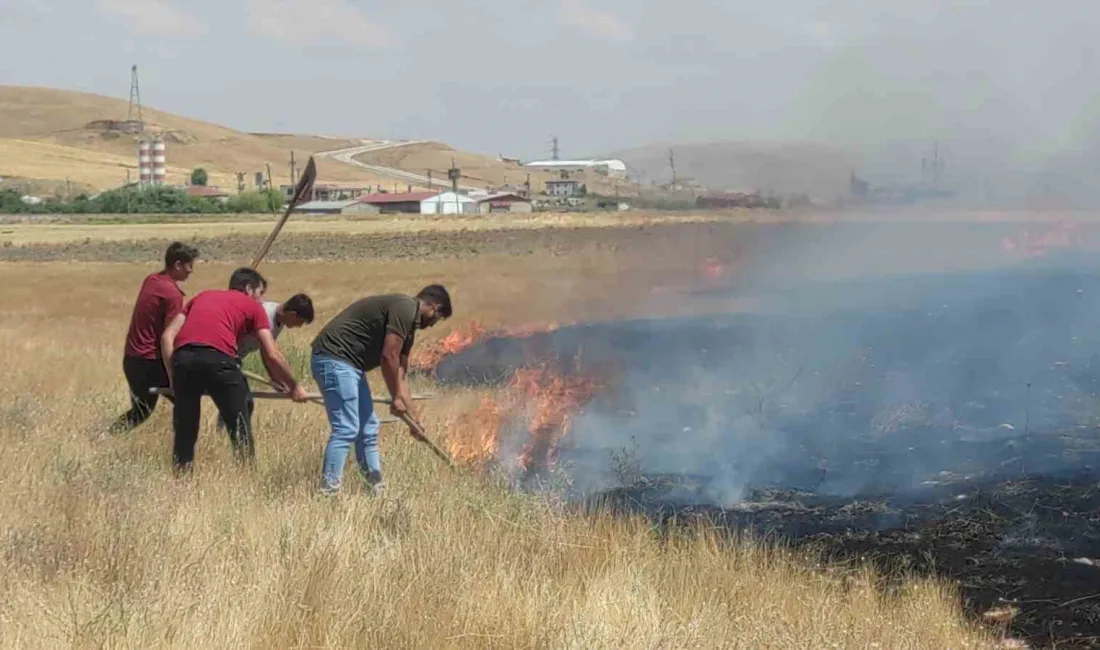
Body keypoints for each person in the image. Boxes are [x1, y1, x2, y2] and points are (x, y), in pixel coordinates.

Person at [160, 267, 310, 473]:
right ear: (249, 289)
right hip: (220, 361)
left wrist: (173, 379)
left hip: (183, 360)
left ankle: (181, 476)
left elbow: (167, 337)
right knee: (240, 425)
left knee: (185, 428)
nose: (261, 299)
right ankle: (246, 474)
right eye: (260, 293)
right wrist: (295, 386)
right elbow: (272, 354)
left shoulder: (202, 296)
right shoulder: (254, 307)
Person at [309, 284, 453, 495]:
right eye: (437, 318)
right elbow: (389, 357)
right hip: (334, 357)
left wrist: (414, 420)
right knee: (346, 428)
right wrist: (395, 398)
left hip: (351, 365)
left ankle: (376, 490)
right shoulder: (405, 307)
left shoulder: (409, 326)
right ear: (434, 307)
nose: (432, 325)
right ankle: (329, 493)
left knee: (368, 429)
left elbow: (400, 374)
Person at [111, 241, 199, 433]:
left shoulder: (151, 279)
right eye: (189, 266)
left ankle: (105, 436)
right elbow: (168, 338)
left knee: (140, 411)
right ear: (177, 265)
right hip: (149, 362)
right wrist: (174, 375)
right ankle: (185, 448)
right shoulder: (172, 295)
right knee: (187, 399)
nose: (191, 271)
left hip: (132, 360)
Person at [216, 293, 315, 430]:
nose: (298, 327)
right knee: (242, 400)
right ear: (292, 314)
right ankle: (226, 434)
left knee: (240, 399)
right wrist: (294, 386)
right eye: (299, 323)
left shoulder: (279, 322)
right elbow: (273, 354)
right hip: (222, 354)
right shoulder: (266, 314)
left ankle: (224, 433)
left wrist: (276, 380)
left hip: (233, 359)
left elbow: (265, 351)